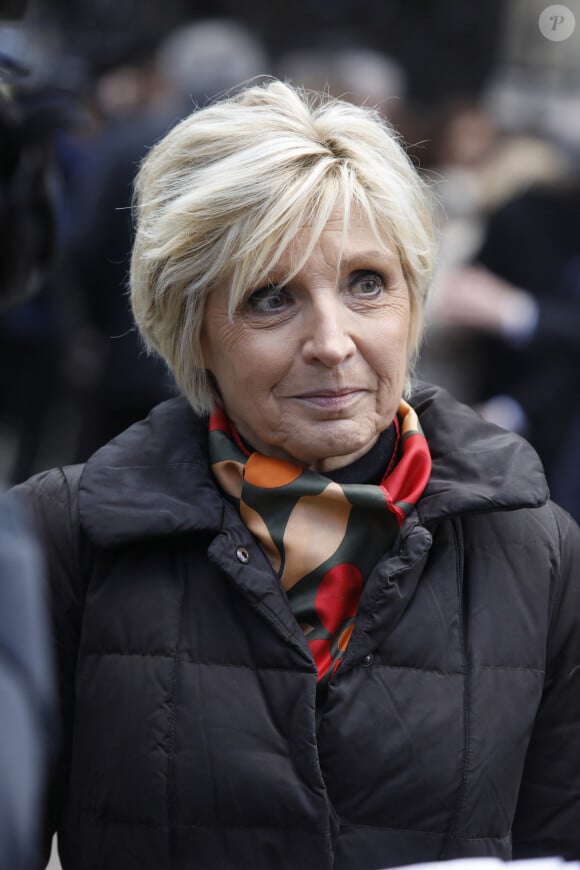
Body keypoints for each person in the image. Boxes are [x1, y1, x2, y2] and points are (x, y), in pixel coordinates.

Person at [11, 80, 580, 870]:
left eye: (367, 284)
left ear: (413, 300)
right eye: (272, 298)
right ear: (192, 327)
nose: (333, 342)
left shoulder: (539, 550)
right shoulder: (58, 539)